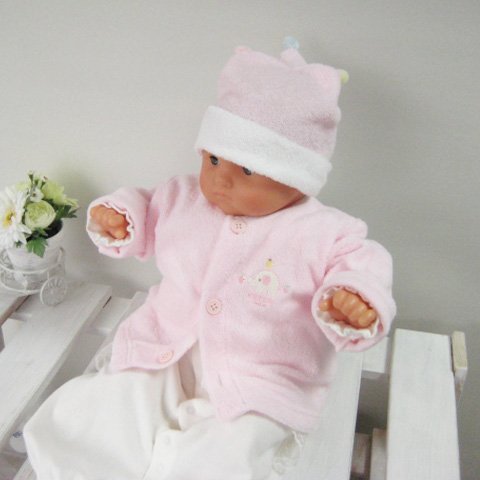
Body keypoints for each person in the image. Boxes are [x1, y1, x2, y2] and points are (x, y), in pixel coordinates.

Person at [24, 41, 396, 480]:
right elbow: (148, 208)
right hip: (165, 348)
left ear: (297, 179)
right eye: (215, 158)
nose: (221, 180)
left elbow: (362, 263)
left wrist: (355, 298)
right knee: (112, 409)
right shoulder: (184, 197)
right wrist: (122, 218)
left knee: (227, 451)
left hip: (259, 374)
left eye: (247, 170)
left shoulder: (321, 232)